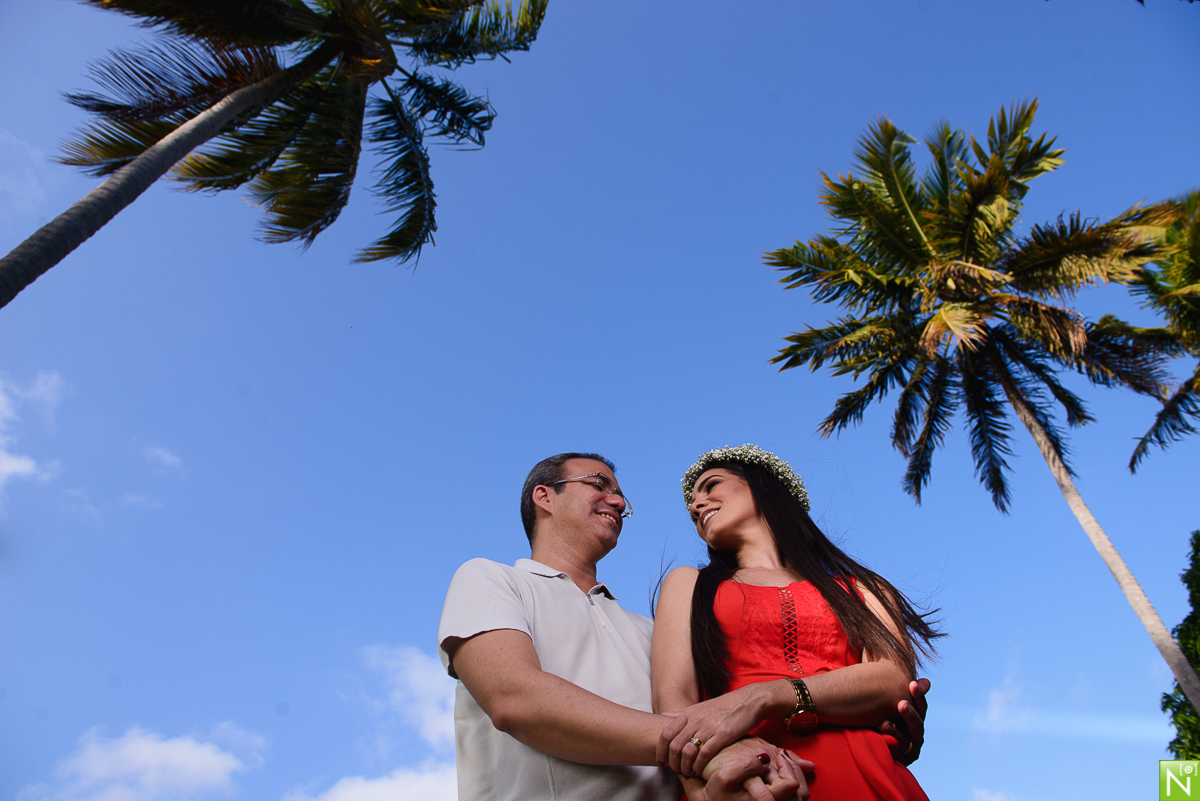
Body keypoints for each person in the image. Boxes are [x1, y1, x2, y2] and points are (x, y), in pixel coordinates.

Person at [438, 452, 926, 801]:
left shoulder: (653, 629)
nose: (618, 500)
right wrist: (710, 748)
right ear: (544, 496)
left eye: (621, 494)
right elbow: (514, 699)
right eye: (599, 483)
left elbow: (887, 679)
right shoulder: (490, 579)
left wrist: (885, 712)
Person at [653, 445, 942, 801]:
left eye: (711, 485)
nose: (696, 506)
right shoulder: (688, 583)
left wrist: (766, 696)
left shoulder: (863, 589)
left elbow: (893, 679)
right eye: (692, 504)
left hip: (869, 774)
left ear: (764, 485)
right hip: (748, 779)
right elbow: (673, 702)